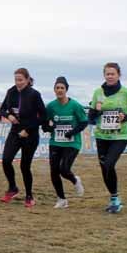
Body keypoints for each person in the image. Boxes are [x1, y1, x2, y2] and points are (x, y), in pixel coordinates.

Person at [87, 62, 127, 213]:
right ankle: (114, 197)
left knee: (109, 164)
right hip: (101, 135)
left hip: (119, 136)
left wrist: (125, 117)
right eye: (107, 74)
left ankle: (115, 199)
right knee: (104, 167)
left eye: (112, 74)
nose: (110, 76)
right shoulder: (98, 92)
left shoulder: (126, 92)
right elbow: (91, 116)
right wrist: (96, 111)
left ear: (118, 75)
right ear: (104, 75)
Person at [0, 68, 46, 208]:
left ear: (27, 80)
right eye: (16, 80)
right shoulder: (11, 92)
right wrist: (9, 116)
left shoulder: (34, 94)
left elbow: (43, 116)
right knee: (6, 160)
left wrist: (28, 130)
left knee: (25, 166)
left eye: (20, 80)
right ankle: (12, 188)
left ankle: (29, 196)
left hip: (30, 134)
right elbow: (1, 110)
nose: (18, 83)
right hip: (15, 132)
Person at [42, 76, 87, 208]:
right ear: (54, 90)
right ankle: (61, 199)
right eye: (57, 88)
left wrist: (72, 132)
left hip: (72, 143)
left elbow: (84, 122)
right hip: (56, 142)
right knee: (54, 171)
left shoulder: (75, 105)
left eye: (62, 88)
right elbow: (44, 124)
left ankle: (75, 180)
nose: (60, 90)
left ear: (66, 89)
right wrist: (49, 128)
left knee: (64, 169)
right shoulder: (51, 106)